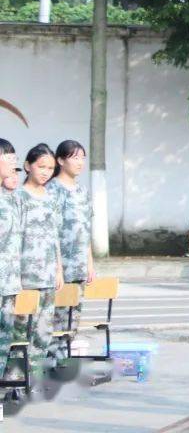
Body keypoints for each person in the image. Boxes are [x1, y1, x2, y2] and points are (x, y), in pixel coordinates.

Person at [8, 144, 62, 382]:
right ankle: (15, 379)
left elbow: (55, 236)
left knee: (43, 329)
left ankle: (34, 377)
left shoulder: (51, 197)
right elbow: (14, 237)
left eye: (50, 168)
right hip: (25, 275)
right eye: (41, 166)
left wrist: (59, 269)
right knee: (20, 330)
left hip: (48, 274)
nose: (45, 172)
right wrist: (15, 275)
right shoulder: (18, 197)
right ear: (28, 166)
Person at [46, 140, 94, 363]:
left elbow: (86, 229)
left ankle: (66, 356)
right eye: (74, 157)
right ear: (61, 160)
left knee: (74, 314)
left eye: (82, 158)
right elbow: (51, 232)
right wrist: (56, 267)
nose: (80, 163)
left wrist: (90, 263)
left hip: (79, 265)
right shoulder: (52, 189)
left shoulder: (83, 191)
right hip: (61, 265)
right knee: (57, 314)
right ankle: (52, 358)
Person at [0, 139, 22, 380]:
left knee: (3, 343)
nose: (14, 161)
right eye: (9, 156)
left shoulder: (8, 198)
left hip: (8, 284)